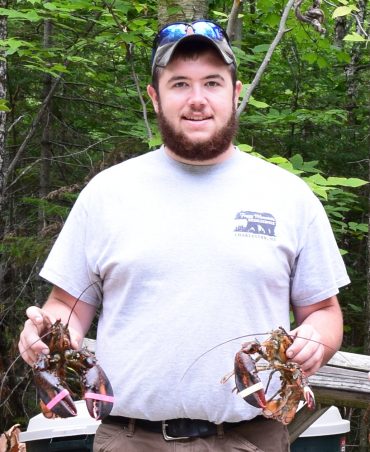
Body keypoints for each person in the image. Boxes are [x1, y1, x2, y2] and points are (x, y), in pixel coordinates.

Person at [19, 20, 349, 452]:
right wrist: (48, 334)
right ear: (155, 96)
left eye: (212, 82)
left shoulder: (288, 196)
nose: (197, 100)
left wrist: (316, 341)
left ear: (236, 92)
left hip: (251, 439)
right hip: (130, 439)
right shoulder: (107, 192)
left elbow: (324, 312)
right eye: (179, 84)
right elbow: (67, 306)